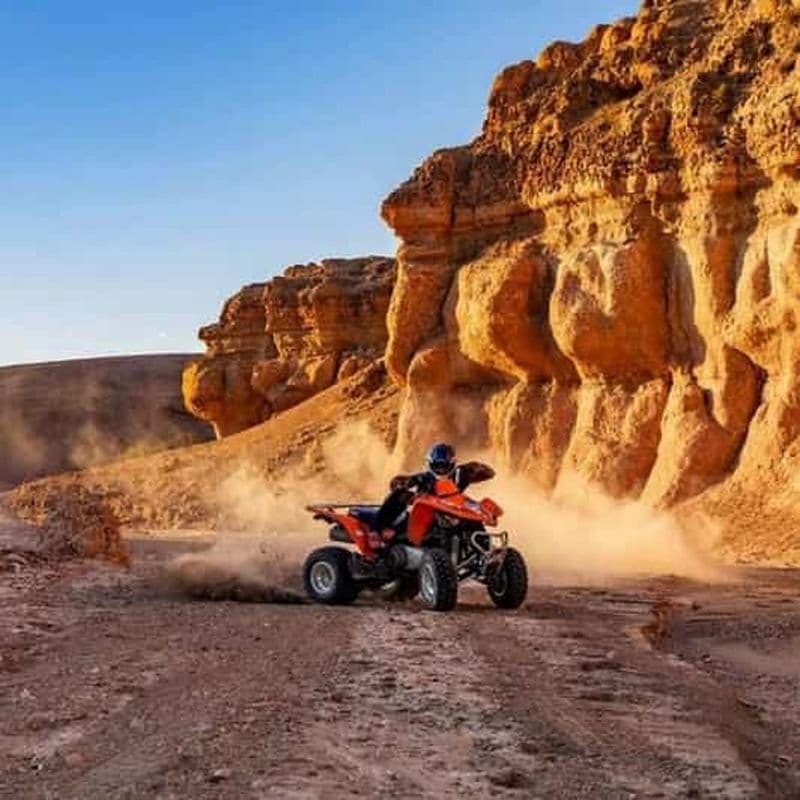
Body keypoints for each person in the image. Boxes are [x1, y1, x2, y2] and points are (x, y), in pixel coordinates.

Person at [370, 442, 494, 540]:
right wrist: (405, 484)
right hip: (428, 516)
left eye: (444, 466)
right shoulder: (423, 478)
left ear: (452, 464)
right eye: (437, 466)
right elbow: (395, 483)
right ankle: (377, 531)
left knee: (474, 520)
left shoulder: (460, 474)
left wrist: (476, 468)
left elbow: (490, 473)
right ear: (430, 465)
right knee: (399, 497)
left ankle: (486, 552)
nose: (441, 470)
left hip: (454, 511)